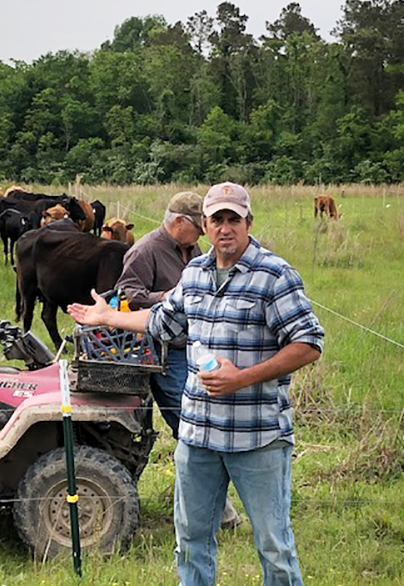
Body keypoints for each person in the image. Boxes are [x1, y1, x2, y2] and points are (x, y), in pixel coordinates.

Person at [68, 181, 324, 586]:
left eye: (233, 219)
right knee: (190, 539)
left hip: (255, 437)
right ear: (204, 225)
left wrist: (242, 378)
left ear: (248, 222)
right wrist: (108, 318)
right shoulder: (196, 273)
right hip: (198, 435)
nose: (225, 228)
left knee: (274, 544)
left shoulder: (274, 275)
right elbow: (161, 322)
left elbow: (309, 343)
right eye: (217, 219)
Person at [114, 191, 241, 529]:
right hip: (164, 354)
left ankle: (209, 506)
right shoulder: (144, 250)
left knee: (205, 423)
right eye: (198, 226)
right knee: (190, 426)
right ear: (179, 222)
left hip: (195, 348)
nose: (203, 232)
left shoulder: (193, 249)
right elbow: (126, 295)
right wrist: (167, 298)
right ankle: (217, 511)